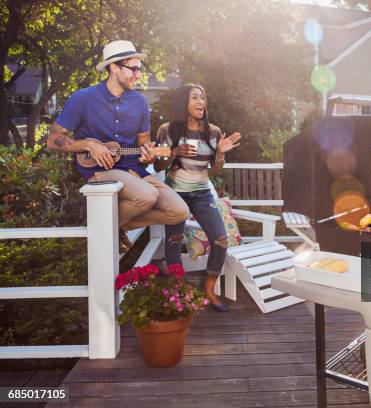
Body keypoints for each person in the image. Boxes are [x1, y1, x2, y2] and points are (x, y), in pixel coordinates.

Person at [47, 40, 189, 253]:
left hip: (134, 170)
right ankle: (108, 227)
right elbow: (52, 140)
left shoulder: (140, 102)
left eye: (139, 69)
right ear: (113, 67)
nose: (138, 75)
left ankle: (114, 226)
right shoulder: (82, 99)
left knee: (179, 211)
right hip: (100, 170)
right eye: (133, 69)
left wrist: (149, 155)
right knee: (148, 195)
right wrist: (87, 144)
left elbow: (144, 144)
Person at [154, 84, 240, 312]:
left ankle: (209, 289)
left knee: (221, 240)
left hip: (202, 193)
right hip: (175, 193)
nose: (201, 102)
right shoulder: (168, 130)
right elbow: (157, 164)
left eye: (202, 97)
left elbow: (215, 171)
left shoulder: (212, 132)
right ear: (184, 102)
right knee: (173, 244)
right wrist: (174, 153)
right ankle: (180, 291)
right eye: (195, 98)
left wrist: (220, 153)